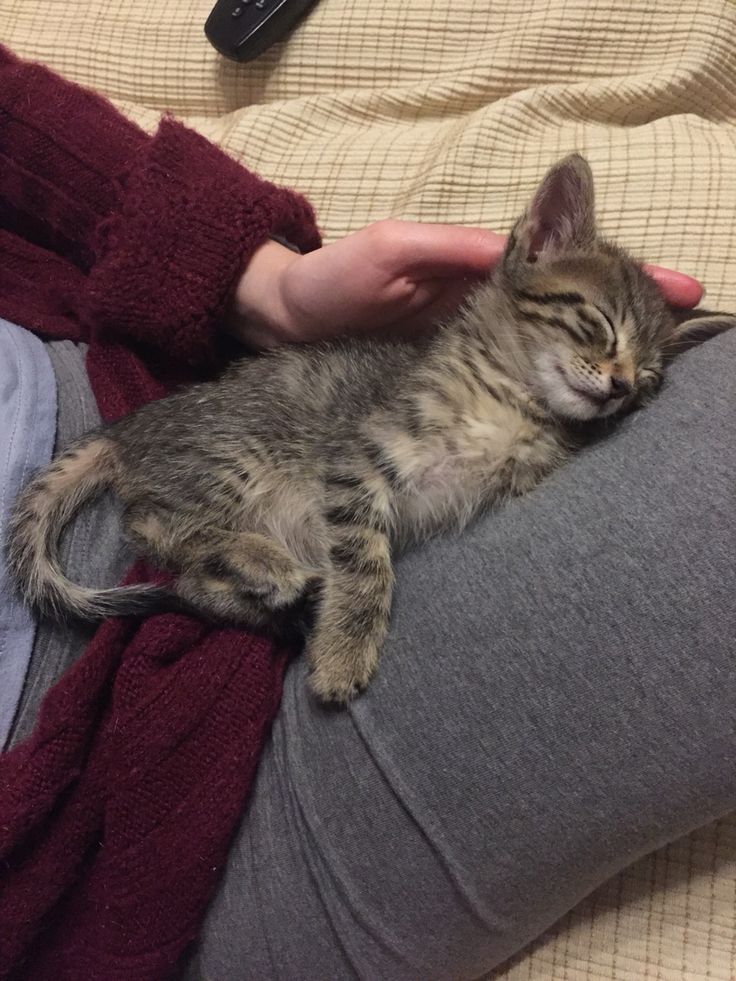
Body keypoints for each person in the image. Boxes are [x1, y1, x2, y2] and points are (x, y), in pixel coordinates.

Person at [0, 45, 733, 981]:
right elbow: (359, 474)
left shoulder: (538, 412)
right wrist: (359, 599)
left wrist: (255, 281)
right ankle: (186, 542)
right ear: (533, 252)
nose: (621, 375)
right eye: (596, 333)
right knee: (253, 458)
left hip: (92, 391)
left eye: (642, 371)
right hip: (157, 744)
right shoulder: (448, 384)